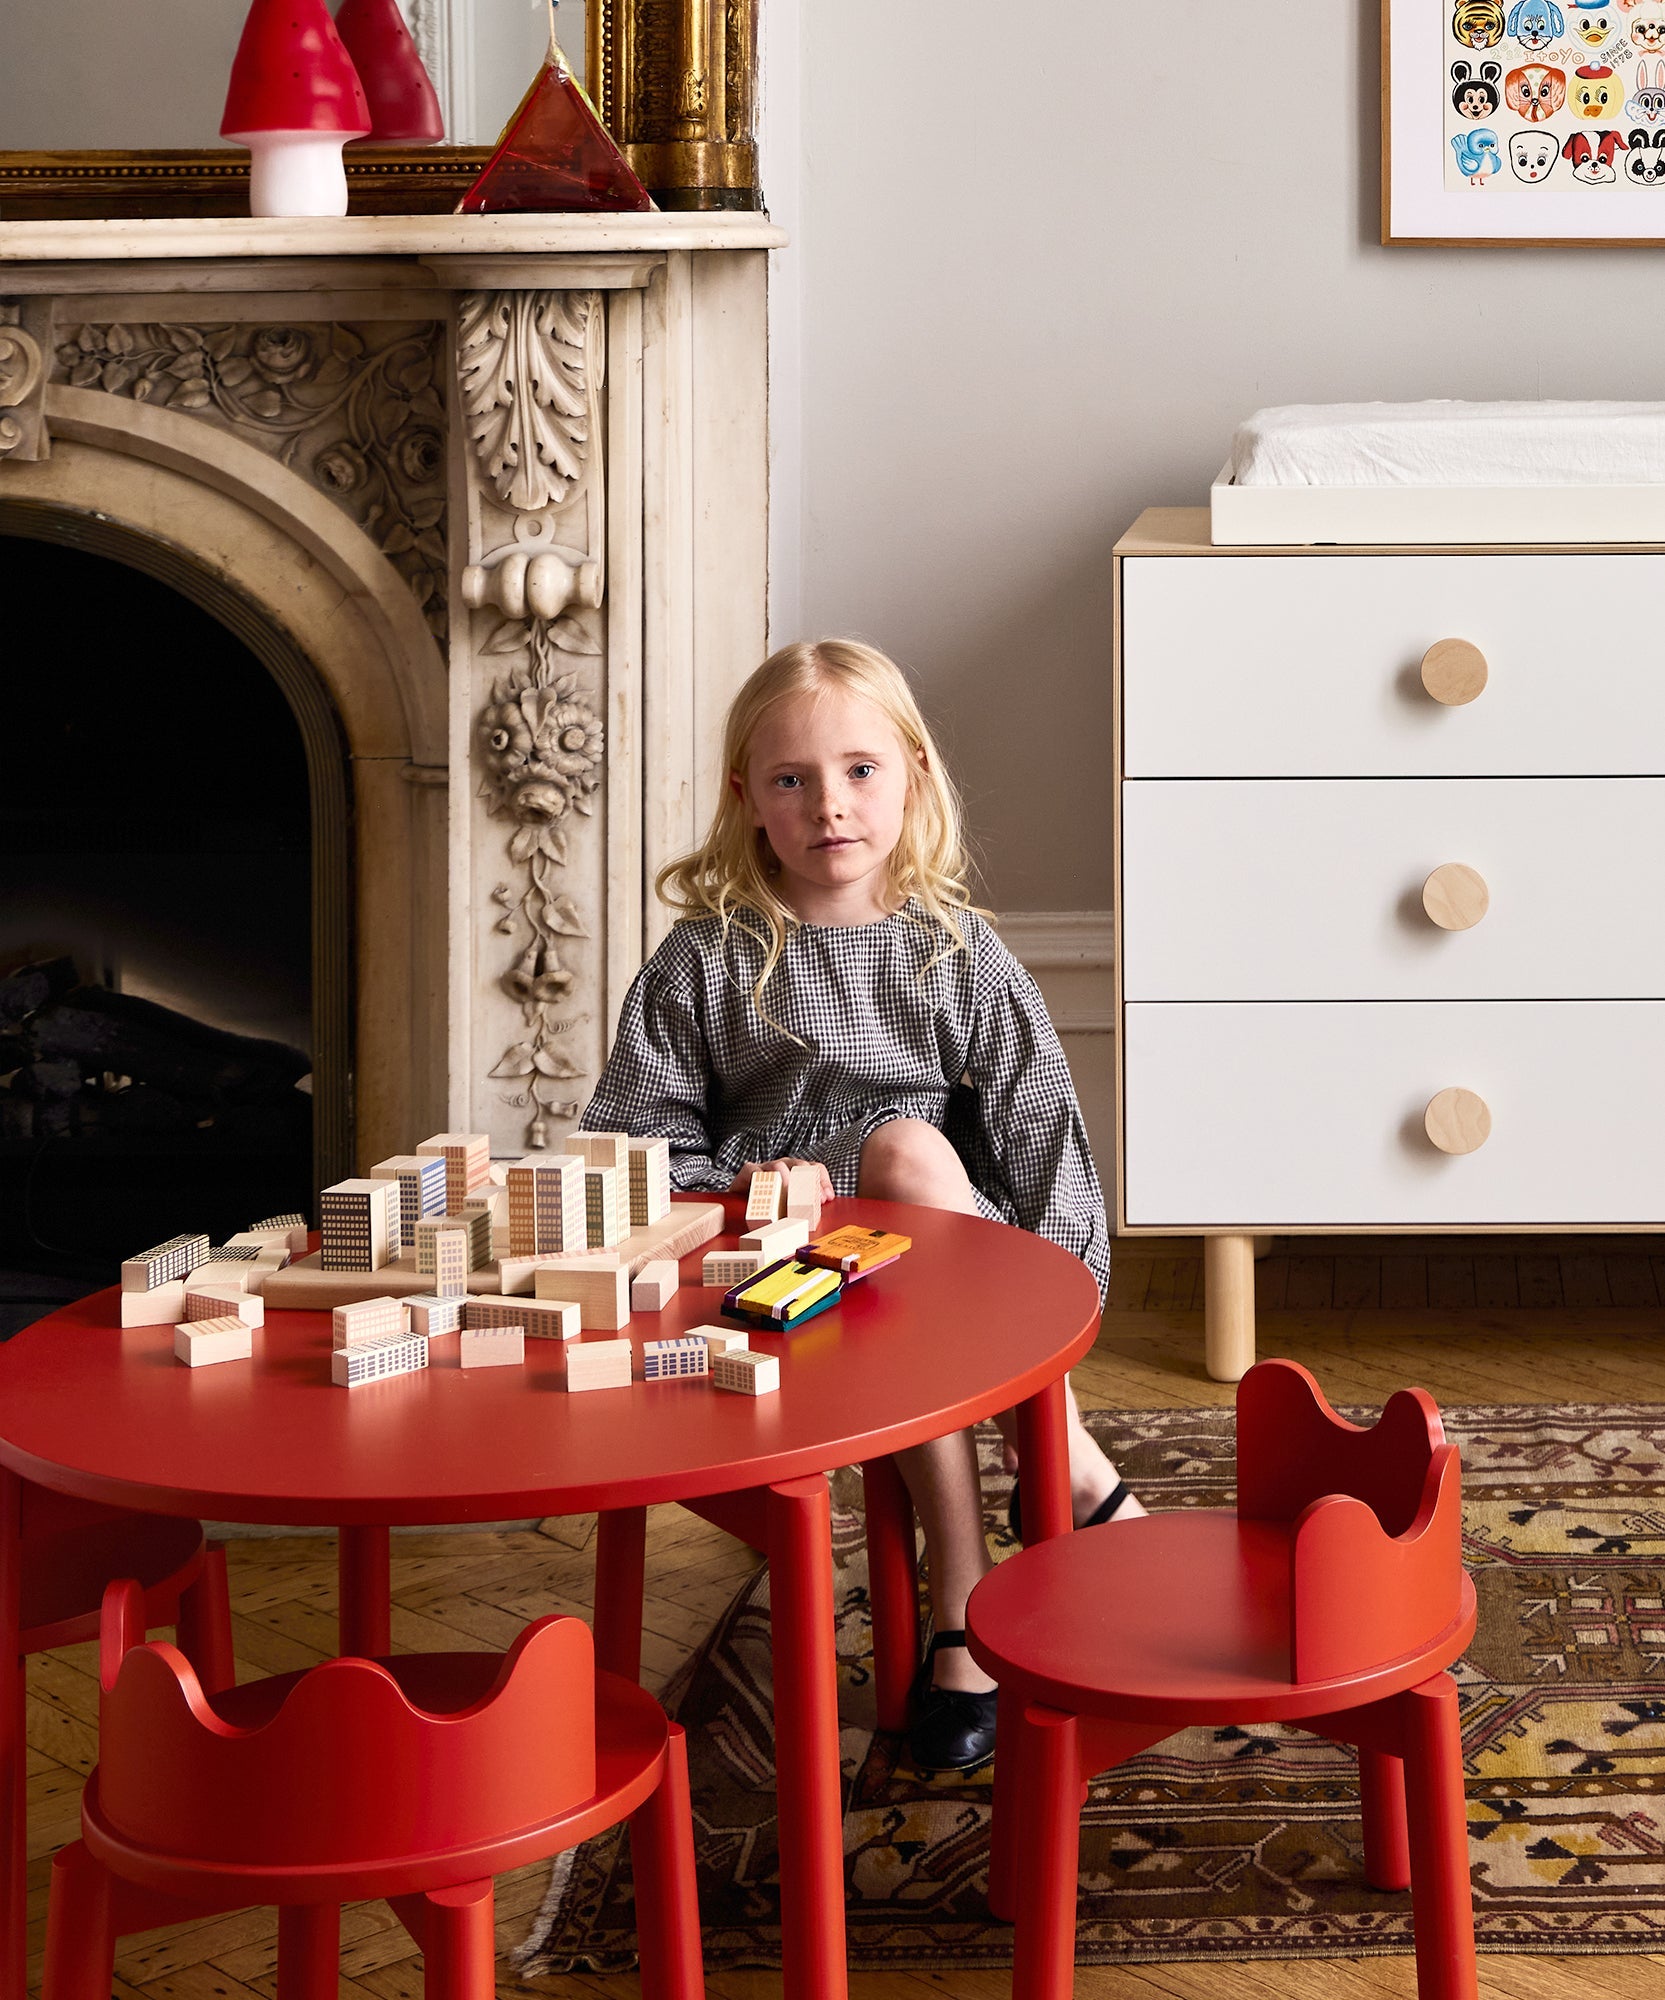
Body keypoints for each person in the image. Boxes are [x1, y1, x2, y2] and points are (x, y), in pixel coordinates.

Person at [579, 636, 1144, 1771]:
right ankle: (1069, 1475)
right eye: (790, 779)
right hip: (774, 1268)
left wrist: (1058, 1304)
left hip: (947, 1272)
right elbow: (636, 1149)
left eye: (859, 770)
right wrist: (763, 1179)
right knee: (899, 1153)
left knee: (913, 1156)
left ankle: (965, 1591)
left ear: (914, 776)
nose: (828, 805)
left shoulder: (960, 954)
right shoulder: (706, 959)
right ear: (747, 798)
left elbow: (1048, 1149)